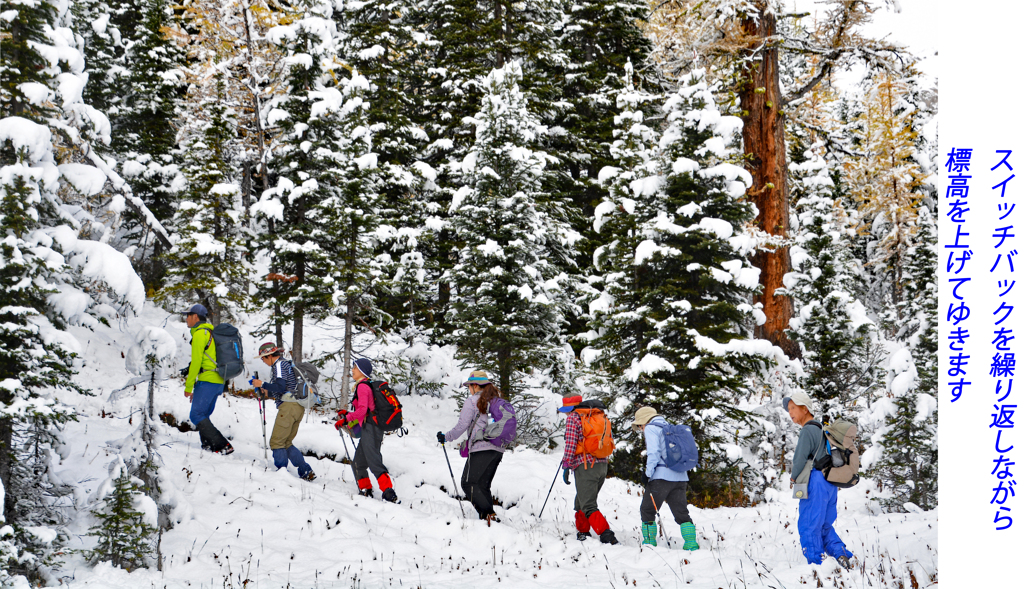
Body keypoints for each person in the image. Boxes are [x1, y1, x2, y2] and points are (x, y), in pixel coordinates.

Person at [784, 391, 854, 569]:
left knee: (809, 524)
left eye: (793, 407)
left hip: (815, 481)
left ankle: (816, 566)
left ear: (805, 409)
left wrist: (793, 476)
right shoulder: (823, 430)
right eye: (788, 409)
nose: (790, 412)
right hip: (830, 482)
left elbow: (799, 458)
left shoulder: (808, 430)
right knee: (824, 525)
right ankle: (840, 554)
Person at [436, 371, 504, 525]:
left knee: (467, 483)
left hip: (481, 448)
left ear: (474, 386)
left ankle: (490, 515)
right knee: (482, 485)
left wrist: (446, 437)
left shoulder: (472, 401)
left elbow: (462, 426)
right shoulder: (496, 401)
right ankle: (488, 521)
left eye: (469, 386)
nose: (469, 389)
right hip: (498, 450)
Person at [631, 407, 697, 549]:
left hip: (661, 478)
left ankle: (649, 543)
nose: (641, 429)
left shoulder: (651, 428)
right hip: (680, 476)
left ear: (644, 422)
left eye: (640, 426)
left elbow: (654, 453)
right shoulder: (669, 427)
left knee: (647, 510)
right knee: (681, 512)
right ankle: (691, 543)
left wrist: (647, 474)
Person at [251, 343, 316, 481]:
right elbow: (283, 387)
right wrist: (266, 390)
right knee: (286, 442)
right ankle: (306, 471)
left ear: (269, 356)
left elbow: (280, 387)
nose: (263, 361)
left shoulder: (279, 365)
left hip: (288, 407)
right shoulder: (286, 364)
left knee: (276, 442)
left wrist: (262, 384)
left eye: (263, 358)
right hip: (297, 407)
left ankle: (281, 474)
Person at [558, 395, 618, 544]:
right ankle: (583, 532)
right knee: (582, 500)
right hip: (602, 465)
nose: (566, 414)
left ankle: (607, 535)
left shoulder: (574, 417)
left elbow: (571, 444)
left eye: (567, 410)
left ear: (572, 408)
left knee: (588, 505)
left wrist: (566, 465)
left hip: (586, 466)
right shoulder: (598, 415)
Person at [339, 358, 398, 502]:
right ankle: (366, 490)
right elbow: (363, 411)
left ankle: (389, 492)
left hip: (372, 429)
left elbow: (362, 410)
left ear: (362, 371)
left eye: (355, 368)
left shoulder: (363, 387)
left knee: (374, 461)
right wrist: (347, 415)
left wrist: (347, 419)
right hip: (369, 428)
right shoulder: (364, 386)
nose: (352, 370)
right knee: (358, 463)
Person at [182, 304, 233, 454]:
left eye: (188, 315)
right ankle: (208, 446)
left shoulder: (200, 334)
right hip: (218, 381)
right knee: (203, 414)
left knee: (196, 415)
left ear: (195, 316)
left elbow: (196, 362)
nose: (186, 319)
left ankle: (222, 445)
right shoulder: (211, 331)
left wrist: (189, 387)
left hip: (208, 380)